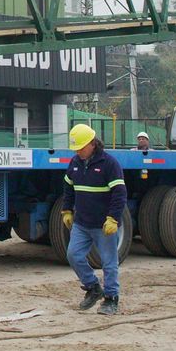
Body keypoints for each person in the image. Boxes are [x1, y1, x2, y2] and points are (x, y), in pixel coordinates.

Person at [61, 123, 127, 315]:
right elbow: (68, 188)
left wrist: (113, 219)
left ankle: (111, 298)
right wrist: (67, 210)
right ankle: (92, 287)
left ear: (92, 144)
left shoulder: (109, 164)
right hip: (81, 223)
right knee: (73, 255)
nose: (78, 152)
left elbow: (119, 193)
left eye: (81, 148)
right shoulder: (74, 163)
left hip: (103, 224)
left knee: (108, 262)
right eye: (76, 149)